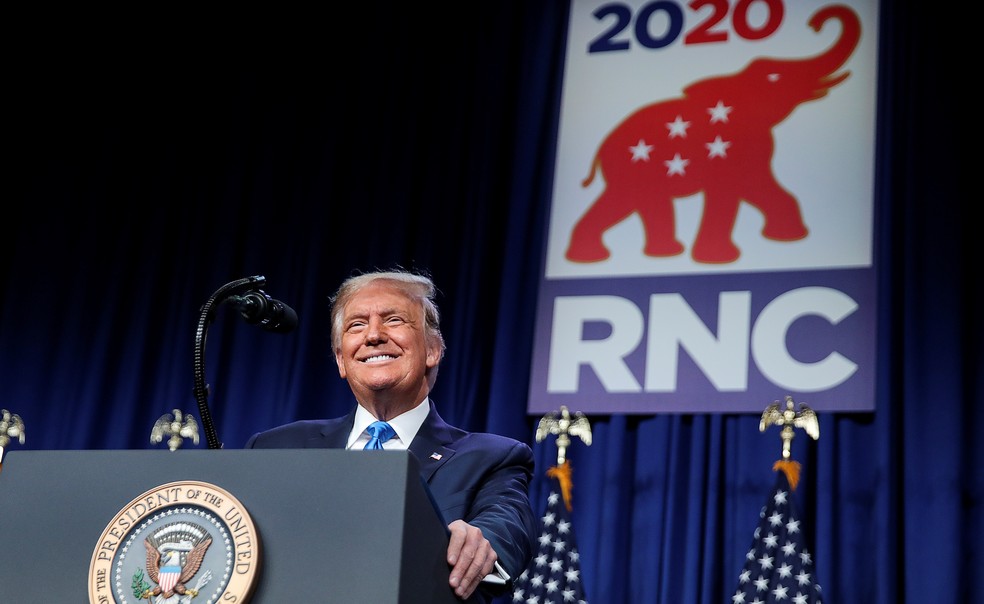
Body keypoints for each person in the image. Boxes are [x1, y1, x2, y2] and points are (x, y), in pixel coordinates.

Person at [245, 269, 537, 602]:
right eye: (356, 325)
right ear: (341, 359)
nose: (373, 336)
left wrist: (481, 541)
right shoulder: (276, 447)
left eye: (394, 320)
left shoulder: (492, 457)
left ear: (432, 350)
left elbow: (507, 522)